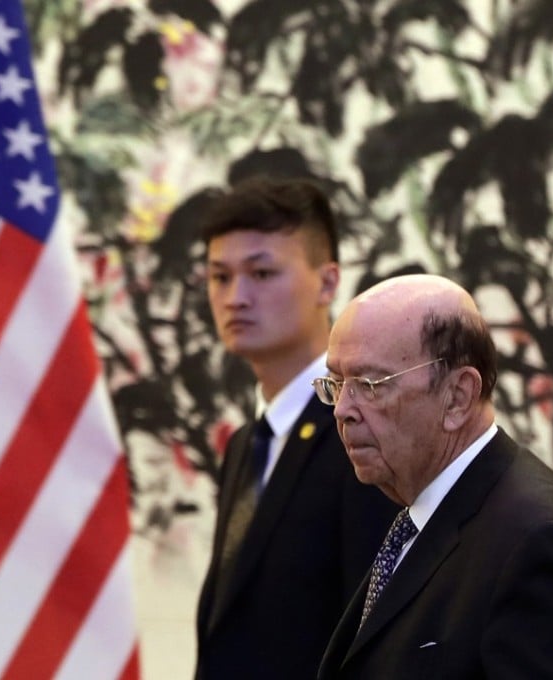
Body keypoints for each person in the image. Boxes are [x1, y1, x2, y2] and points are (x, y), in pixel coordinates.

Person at [315, 274, 553, 679]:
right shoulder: (425, 514)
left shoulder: (539, 542)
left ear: (458, 397)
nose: (342, 409)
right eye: (337, 384)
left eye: (369, 384)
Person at [194, 176, 398, 680]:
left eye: (262, 273)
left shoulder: (363, 430)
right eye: (220, 277)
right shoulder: (247, 444)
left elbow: (374, 636)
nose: (236, 297)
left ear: (328, 283)